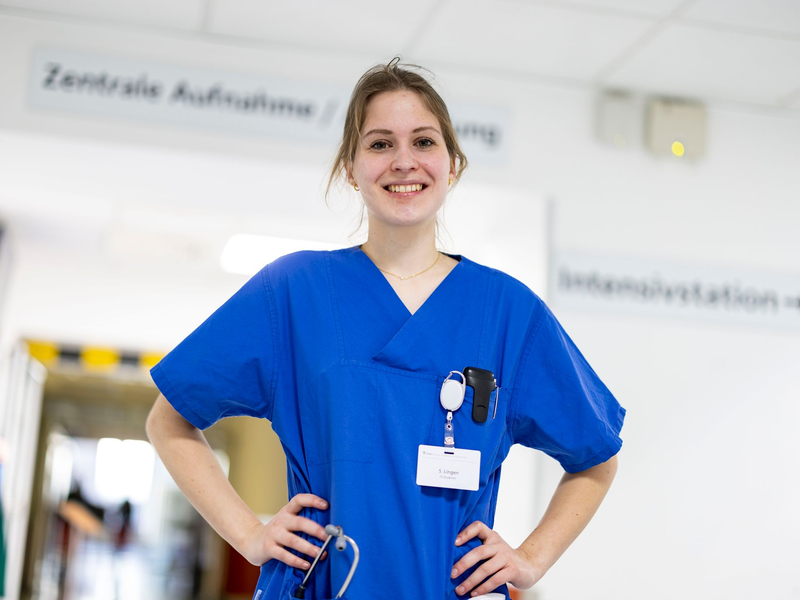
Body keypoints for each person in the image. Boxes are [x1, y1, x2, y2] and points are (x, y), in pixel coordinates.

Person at [146, 58, 625, 600]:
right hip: (323, 584)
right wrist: (252, 536)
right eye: (379, 144)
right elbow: (169, 422)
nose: (404, 161)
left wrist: (532, 559)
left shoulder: (507, 311)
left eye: (423, 141)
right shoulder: (294, 291)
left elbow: (597, 456)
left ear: (452, 163)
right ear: (350, 166)